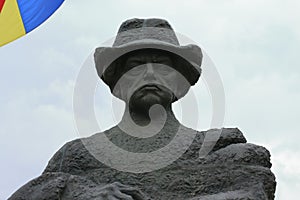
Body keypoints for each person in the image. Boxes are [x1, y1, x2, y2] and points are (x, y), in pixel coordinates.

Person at [9, 18, 276, 200]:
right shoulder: (75, 155)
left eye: (161, 65)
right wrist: (79, 194)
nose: (148, 74)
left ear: (178, 81)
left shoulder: (217, 151)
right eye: (135, 65)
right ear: (118, 83)